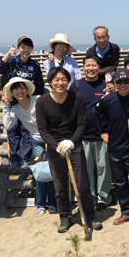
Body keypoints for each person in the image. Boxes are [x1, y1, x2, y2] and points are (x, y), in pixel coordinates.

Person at [36, 67, 101, 233]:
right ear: (50, 82)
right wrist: (55, 145)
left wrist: (71, 142)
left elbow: (81, 124)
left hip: (75, 146)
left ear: (68, 81)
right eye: (56, 80)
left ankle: (89, 216)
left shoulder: (77, 98)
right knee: (60, 185)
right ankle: (65, 216)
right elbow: (43, 130)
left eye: (63, 79)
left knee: (82, 184)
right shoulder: (42, 101)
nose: (60, 83)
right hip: (55, 148)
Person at [94, 68, 129, 235]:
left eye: (126, 81)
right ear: (114, 83)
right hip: (114, 148)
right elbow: (96, 114)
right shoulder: (108, 99)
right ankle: (127, 211)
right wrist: (103, 132)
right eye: (119, 82)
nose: (123, 85)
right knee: (119, 183)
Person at [0, 77, 56, 215]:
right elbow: (8, 125)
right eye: (16, 89)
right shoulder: (15, 108)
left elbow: (52, 119)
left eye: (22, 88)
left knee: (54, 171)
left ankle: (54, 203)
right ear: (12, 92)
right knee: (41, 171)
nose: (20, 91)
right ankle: (41, 204)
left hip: (52, 138)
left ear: (26, 89)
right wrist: (6, 106)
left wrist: (50, 141)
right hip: (37, 141)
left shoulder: (39, 100)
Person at [0, 36, 45, 170]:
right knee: (12, 130)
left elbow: (39, 85)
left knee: (26, 130)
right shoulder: (11, 61)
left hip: (27, 103)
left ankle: (24, 158)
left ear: (32, 49)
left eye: (29, 47)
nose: (26, 50)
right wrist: (8, 54)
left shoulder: (34, 65)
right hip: (11, 101)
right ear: (18, 48)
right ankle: (14, 158)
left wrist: (36, 102)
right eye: (23, 47)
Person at [73, 56, 114, 211]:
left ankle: (103, 198)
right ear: (83, 67)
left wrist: (113, 92)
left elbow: (111, 106)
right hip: (82, 135)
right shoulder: (77, 86)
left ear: (98, 67)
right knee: (86, 168)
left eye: (94, 65)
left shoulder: (106, 84)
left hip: (102, 134)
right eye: (88, 65)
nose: (91, 68)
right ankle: (89, 196)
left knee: (104, 167)